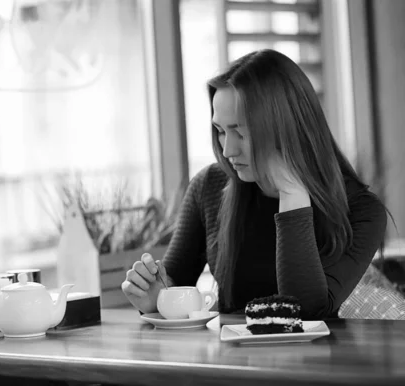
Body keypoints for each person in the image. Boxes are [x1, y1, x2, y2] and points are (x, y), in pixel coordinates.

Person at [121, 49, 388, 319]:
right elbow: (174, 286)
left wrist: (292, 191)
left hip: (318, 360)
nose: (227, 150)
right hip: (232, 358)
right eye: (221, 131)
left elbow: (305, 312)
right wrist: (155, 297)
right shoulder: (209, 186)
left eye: (240, 132)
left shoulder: (362, 211)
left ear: (285, 127)